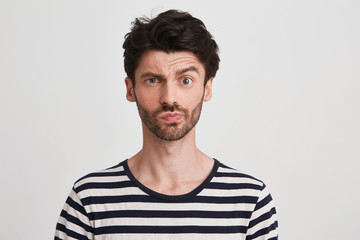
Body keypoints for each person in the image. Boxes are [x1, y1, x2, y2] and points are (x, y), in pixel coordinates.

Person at [55, 9, 278, 240]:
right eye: (153, 80)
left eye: (186, 80)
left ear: (207, 88)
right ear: (131, 89)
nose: (170, 97)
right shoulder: (89, 200)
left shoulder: (250, 201)